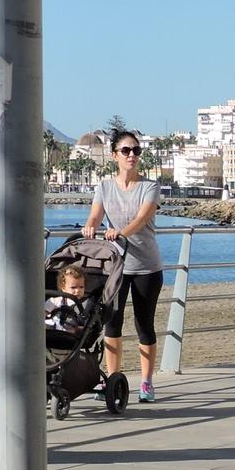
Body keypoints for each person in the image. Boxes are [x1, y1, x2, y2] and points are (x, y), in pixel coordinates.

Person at [83, 130, 163, 402]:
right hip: (115, 267)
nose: (132, 155)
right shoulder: (105, 187)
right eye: (126, 151)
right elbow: (95, 214)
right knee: (111, 325)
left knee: (144, 326)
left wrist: (121, 232)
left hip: (146, 266)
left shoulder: (149, 187)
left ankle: (147, 382)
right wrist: (91, 226)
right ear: (115, 155)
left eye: (136, 151)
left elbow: (142, 218)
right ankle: (112, 380)